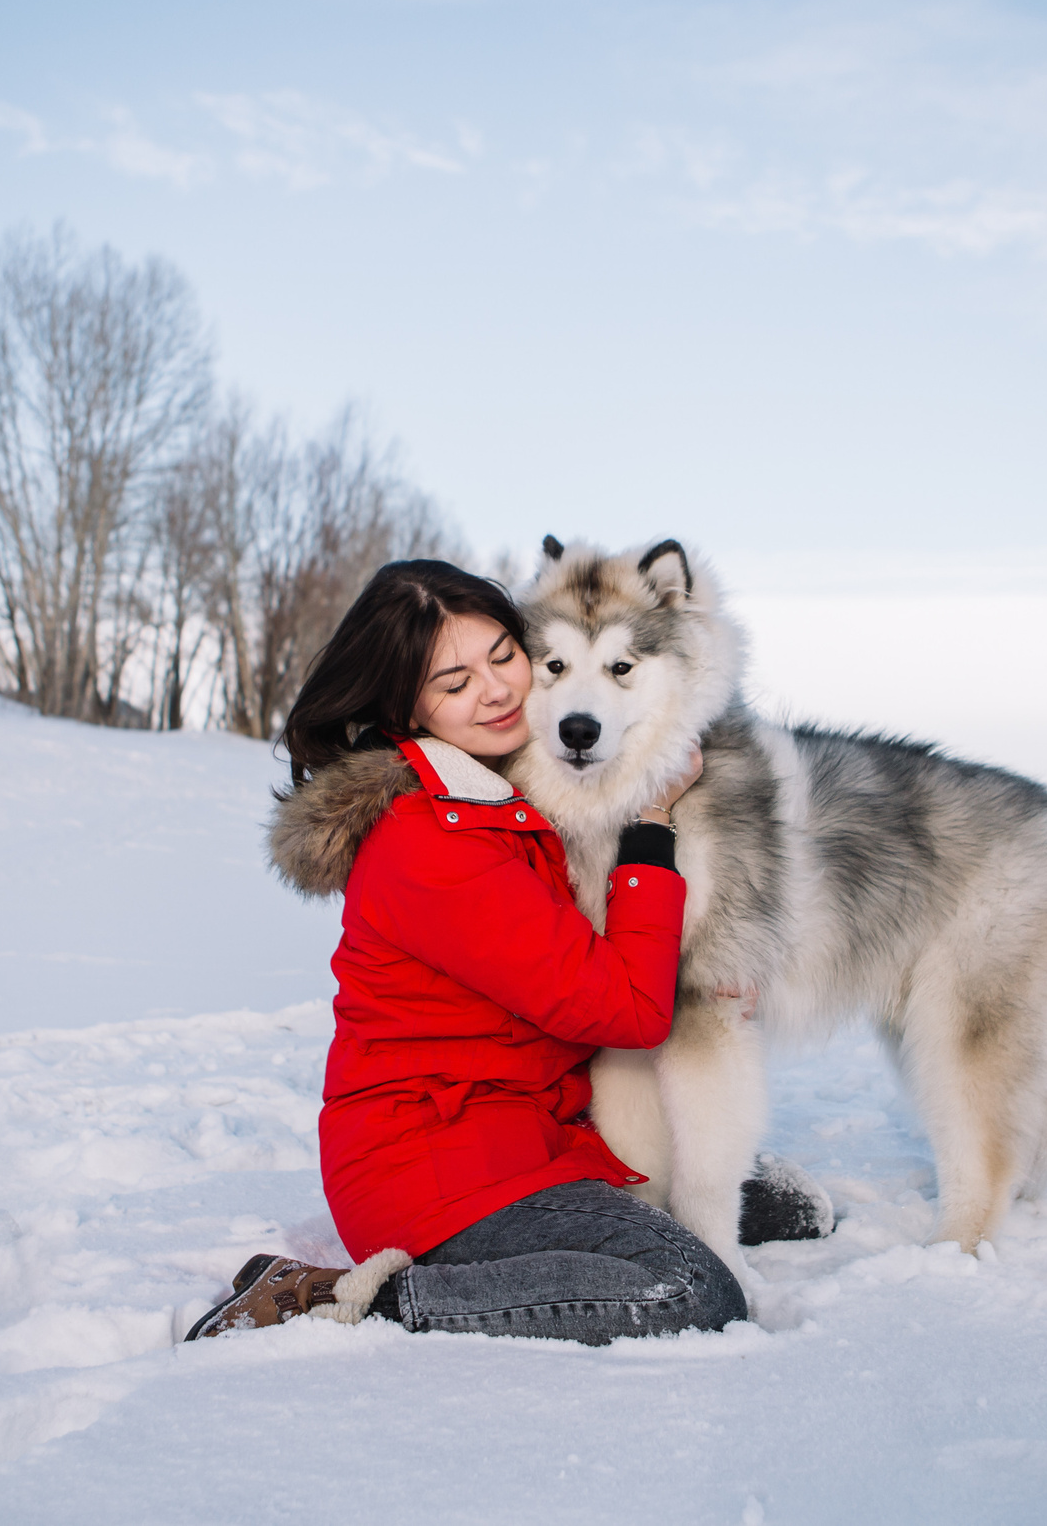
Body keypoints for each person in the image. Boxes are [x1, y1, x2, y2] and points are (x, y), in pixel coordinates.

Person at [183, 558, 747, 1345]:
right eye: (454, 683)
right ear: (406, 708)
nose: (496, 690)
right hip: (438, 1176)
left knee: (746, 1195)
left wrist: (709, 967)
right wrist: (652, 820)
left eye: (503, 655)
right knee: (690, 1288)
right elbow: (626, 1009)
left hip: (528, 1136)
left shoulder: (496, 794)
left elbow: (575, 958)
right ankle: (341, 1298)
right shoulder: (430, 841)